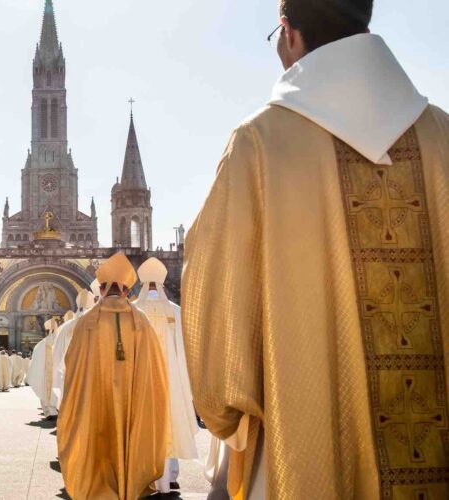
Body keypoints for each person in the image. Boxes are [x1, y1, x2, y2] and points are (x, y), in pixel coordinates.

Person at [182, 1, 449, 498]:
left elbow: (213, 297)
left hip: (300, 446)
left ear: (289, 32)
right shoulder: (443, 137)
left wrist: (227, 408)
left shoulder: (259, 144)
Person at [57, 252, 168, 500]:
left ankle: (97, 483)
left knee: (96, 431)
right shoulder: (142, 322)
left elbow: (72, 364)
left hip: (95, 398)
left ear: (103, 289)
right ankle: (130, 482)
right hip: (133, 397)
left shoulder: (86, 323)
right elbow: (155, 369)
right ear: (128, 291)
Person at [134, 257, 198, 493]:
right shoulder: (175, 311)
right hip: (171, 377)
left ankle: (144, 472)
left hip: (141, 378)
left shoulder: (133, 310)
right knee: (170, 420)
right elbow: (185, 346)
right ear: (161, 284)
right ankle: (170, 476)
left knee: (144, 422)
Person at [51, 291, 95, 410]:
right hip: (91, 370)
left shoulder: (65, 327)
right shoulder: (96, 323)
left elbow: (57, 352)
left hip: (69, 369)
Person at [26, 319, 58, 416]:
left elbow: (35, 360)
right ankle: (55, 410)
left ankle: (48, 412)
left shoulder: (40, 345)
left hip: (45, 374)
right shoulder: (60, 340)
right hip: (56, 373)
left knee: (44, 388)